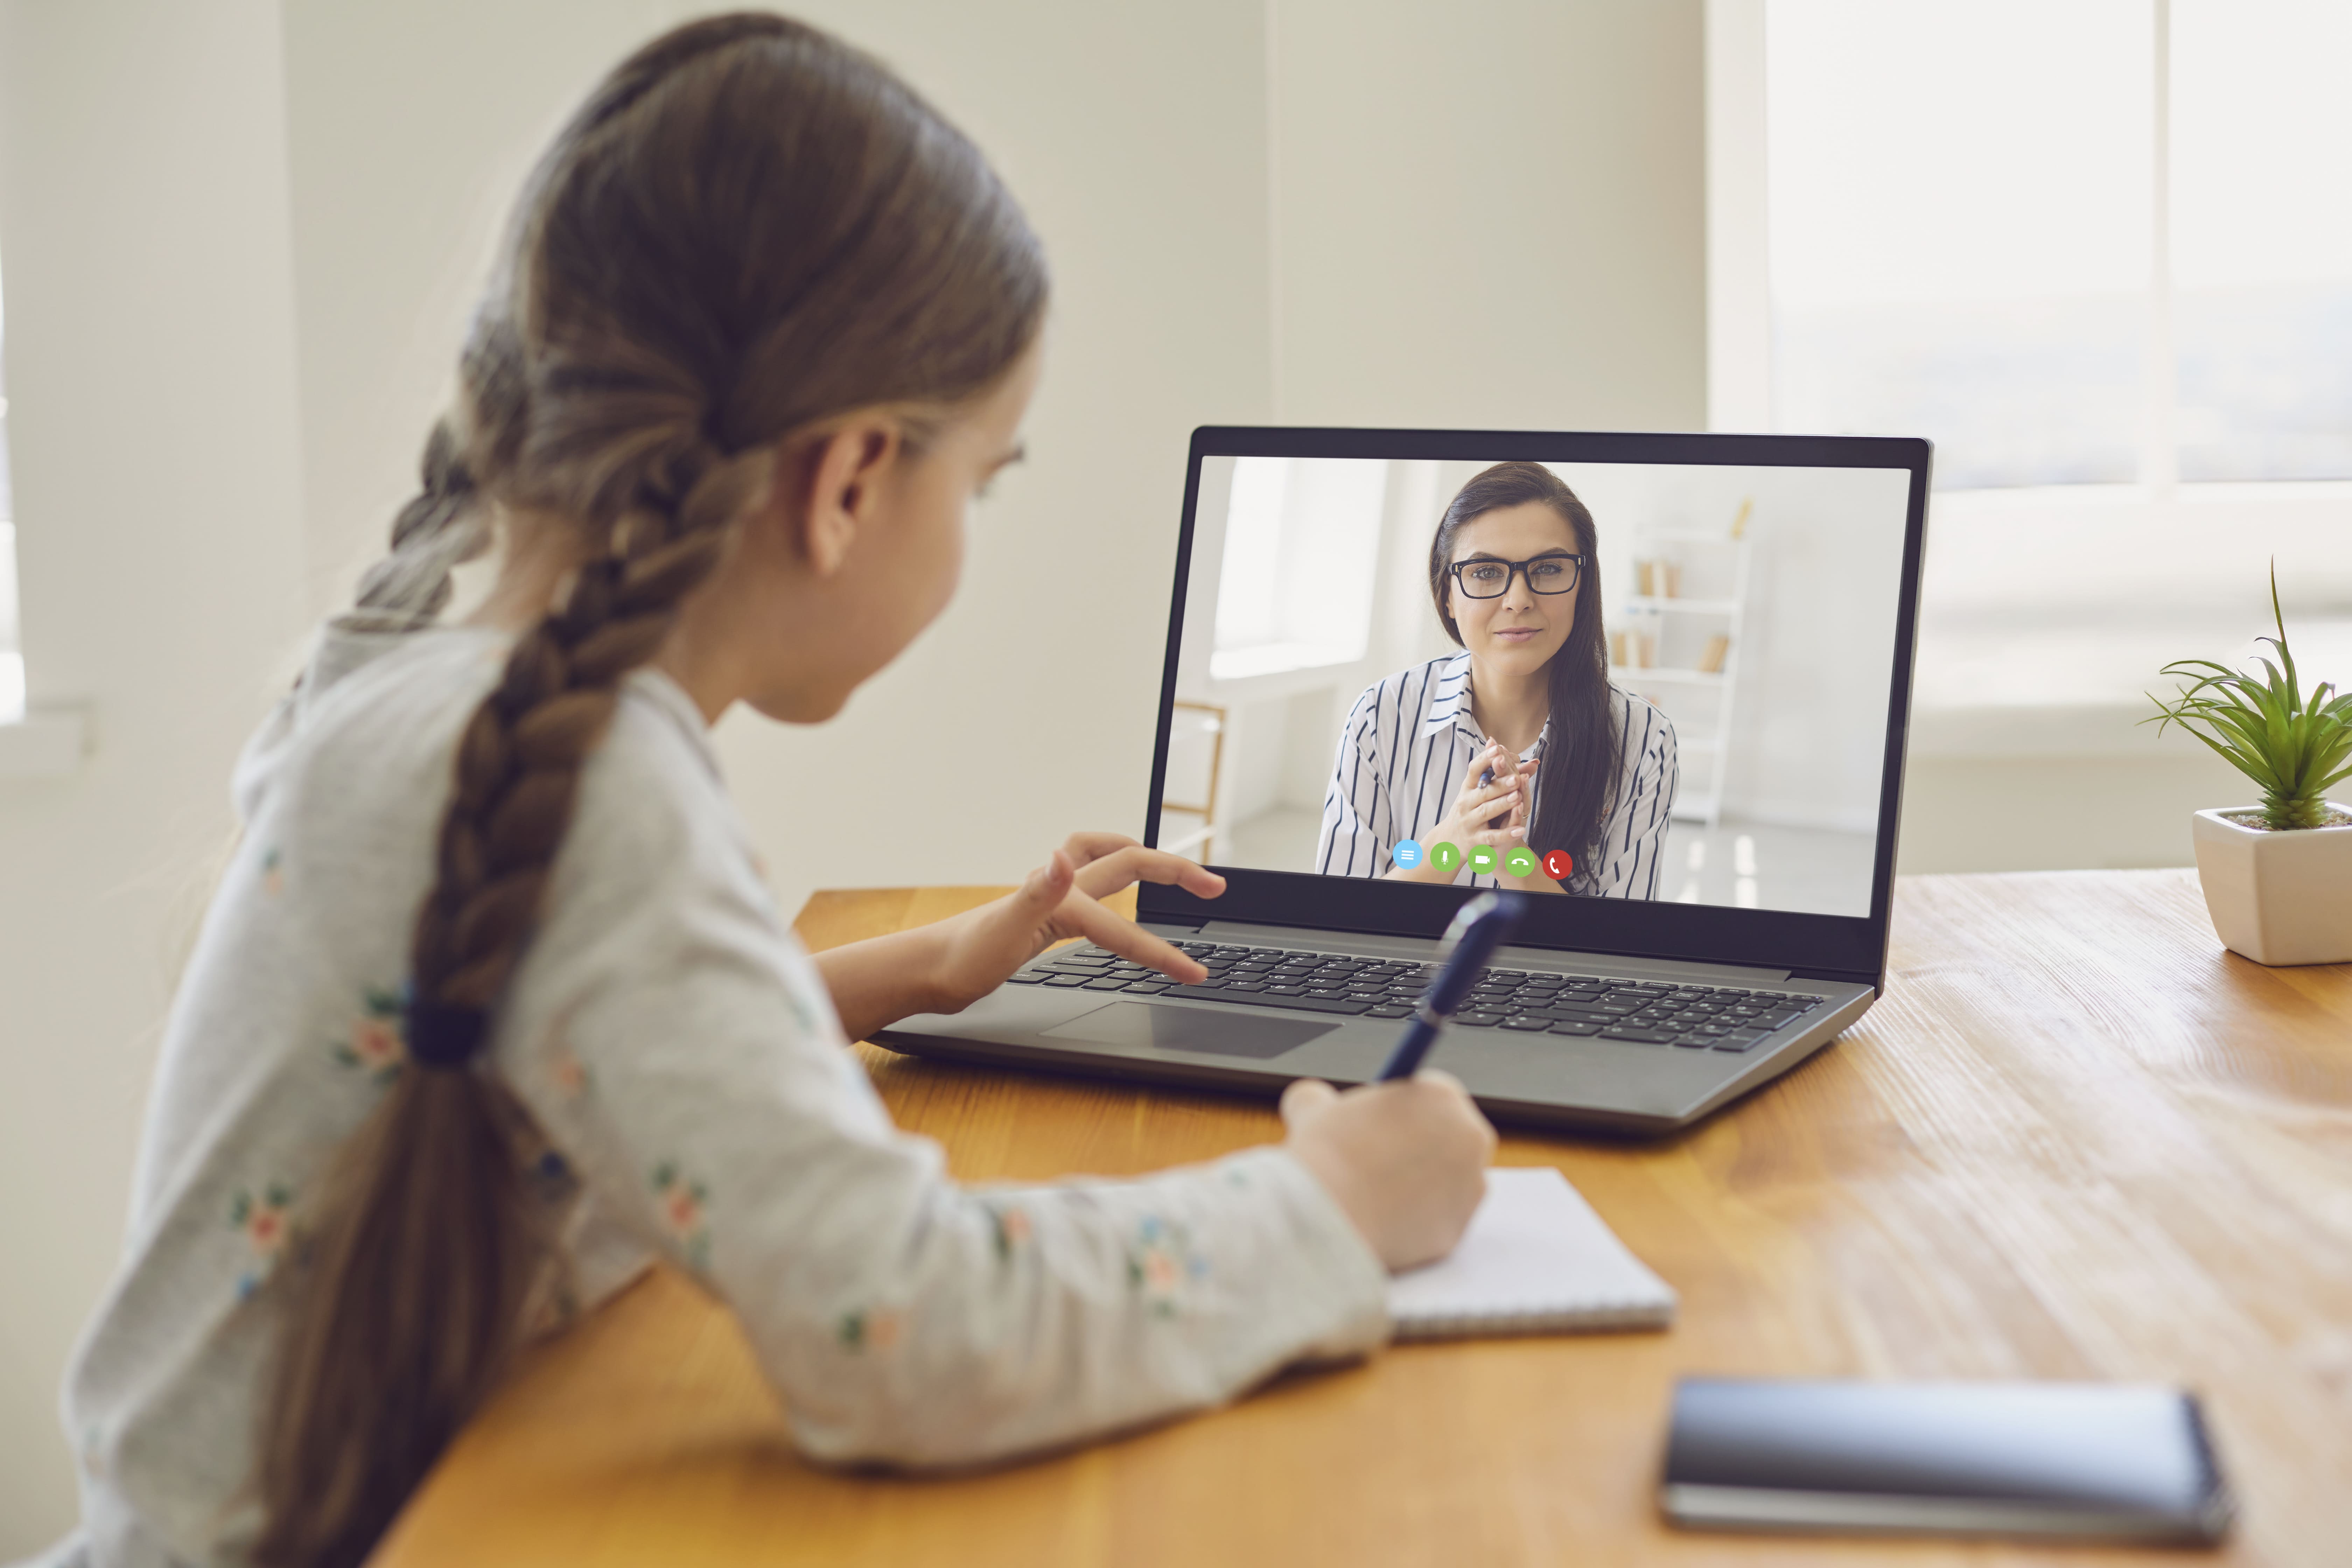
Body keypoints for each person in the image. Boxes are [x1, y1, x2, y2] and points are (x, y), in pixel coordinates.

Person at [30, 17, 1495, 1568]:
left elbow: (583, 1042)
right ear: (849, 479)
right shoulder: (597, 784)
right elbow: (913, 1326)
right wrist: (1325, 1204)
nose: (973, 521)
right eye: (983, 478)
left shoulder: (404, 671)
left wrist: (918, 967)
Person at [1315, 462, 1677, 897]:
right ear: (1447, 594)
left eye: (1548, 568)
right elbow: (1343, 922)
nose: (1518, 600)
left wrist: (1512, 859)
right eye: (1485, 572)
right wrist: (1456, 836)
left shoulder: (1644, 737)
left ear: (1583, 585)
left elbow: (1621, 953)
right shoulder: (1380, 715)